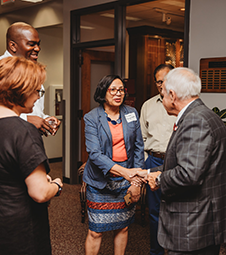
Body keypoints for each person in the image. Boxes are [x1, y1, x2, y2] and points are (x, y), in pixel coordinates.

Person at [0, 56, 63, 255]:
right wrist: (55, 185)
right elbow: (39, 193)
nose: (38, 96)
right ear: (22, 90)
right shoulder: (23, 131)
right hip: (16, 231)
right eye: (37, 90)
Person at [146, 67, 226, 254]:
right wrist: (148, 172)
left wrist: (159, 179)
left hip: (192, 226)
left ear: (172, 95)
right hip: (204, 221)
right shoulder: (205, 115)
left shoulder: (195, 121)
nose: (162, 98)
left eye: (163, 94)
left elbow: (189, 174)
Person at [83, 74, 145, 255]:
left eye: (121, 90)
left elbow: (138, 148)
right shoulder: (91, 118)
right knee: (96, 231)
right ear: (103, 92)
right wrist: (125, 172)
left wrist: (135, 183)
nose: (118, 94)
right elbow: (94, 154)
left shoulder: (132, 113)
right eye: (113, 90)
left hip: (127, 180)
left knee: (123, 227)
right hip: (99, 182)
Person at [0, 22, 60, 136]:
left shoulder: (33, 72)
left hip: (28, 141)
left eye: (38, 44)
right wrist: (26, 119)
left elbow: (34, 112)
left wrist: (45, 120)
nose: (37, 48)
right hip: (1, 145)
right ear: (12, 46)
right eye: (31, 44)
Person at [140, 64, 176, 255]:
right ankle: (157, 251)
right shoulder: (147, 105)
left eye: (167, 80)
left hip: (176, 164)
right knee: (155, 213)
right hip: (153, 162)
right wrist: (146, 163)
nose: (162, 85)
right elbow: (141, 138)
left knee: (177, 211)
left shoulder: (182, 104)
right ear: (155, 83)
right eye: (159, 81)